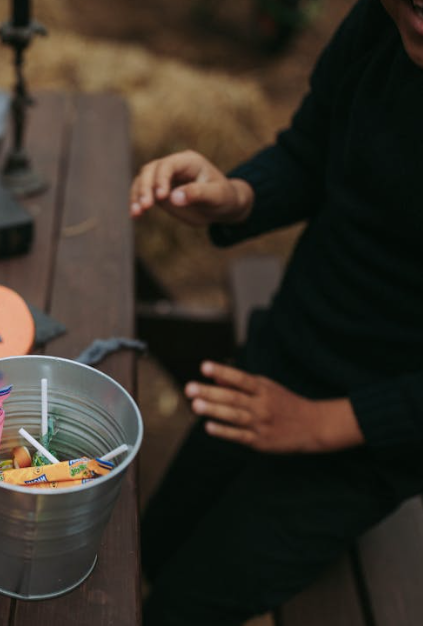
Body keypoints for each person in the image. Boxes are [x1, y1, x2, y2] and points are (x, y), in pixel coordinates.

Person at [130, 0, 423, 624]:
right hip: (288, 347)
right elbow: (311, 151)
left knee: (179, 610)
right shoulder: (379, 24)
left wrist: (321, 424)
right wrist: (236, 196)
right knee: (152, 548)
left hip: (382, 434)